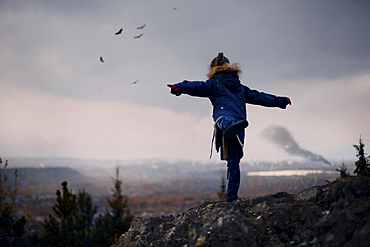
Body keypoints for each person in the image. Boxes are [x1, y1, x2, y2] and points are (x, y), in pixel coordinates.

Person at [167, 52, 291, 202]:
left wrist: (178, 88)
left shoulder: (214, 84)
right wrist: (281, 101)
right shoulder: (240, 88)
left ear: (213, 70)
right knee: (233, 163)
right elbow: (259, 97)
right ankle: (231, 198)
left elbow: (195, 86)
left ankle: (230, 125)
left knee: (221, 118)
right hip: (240, 125)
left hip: (228, 119)